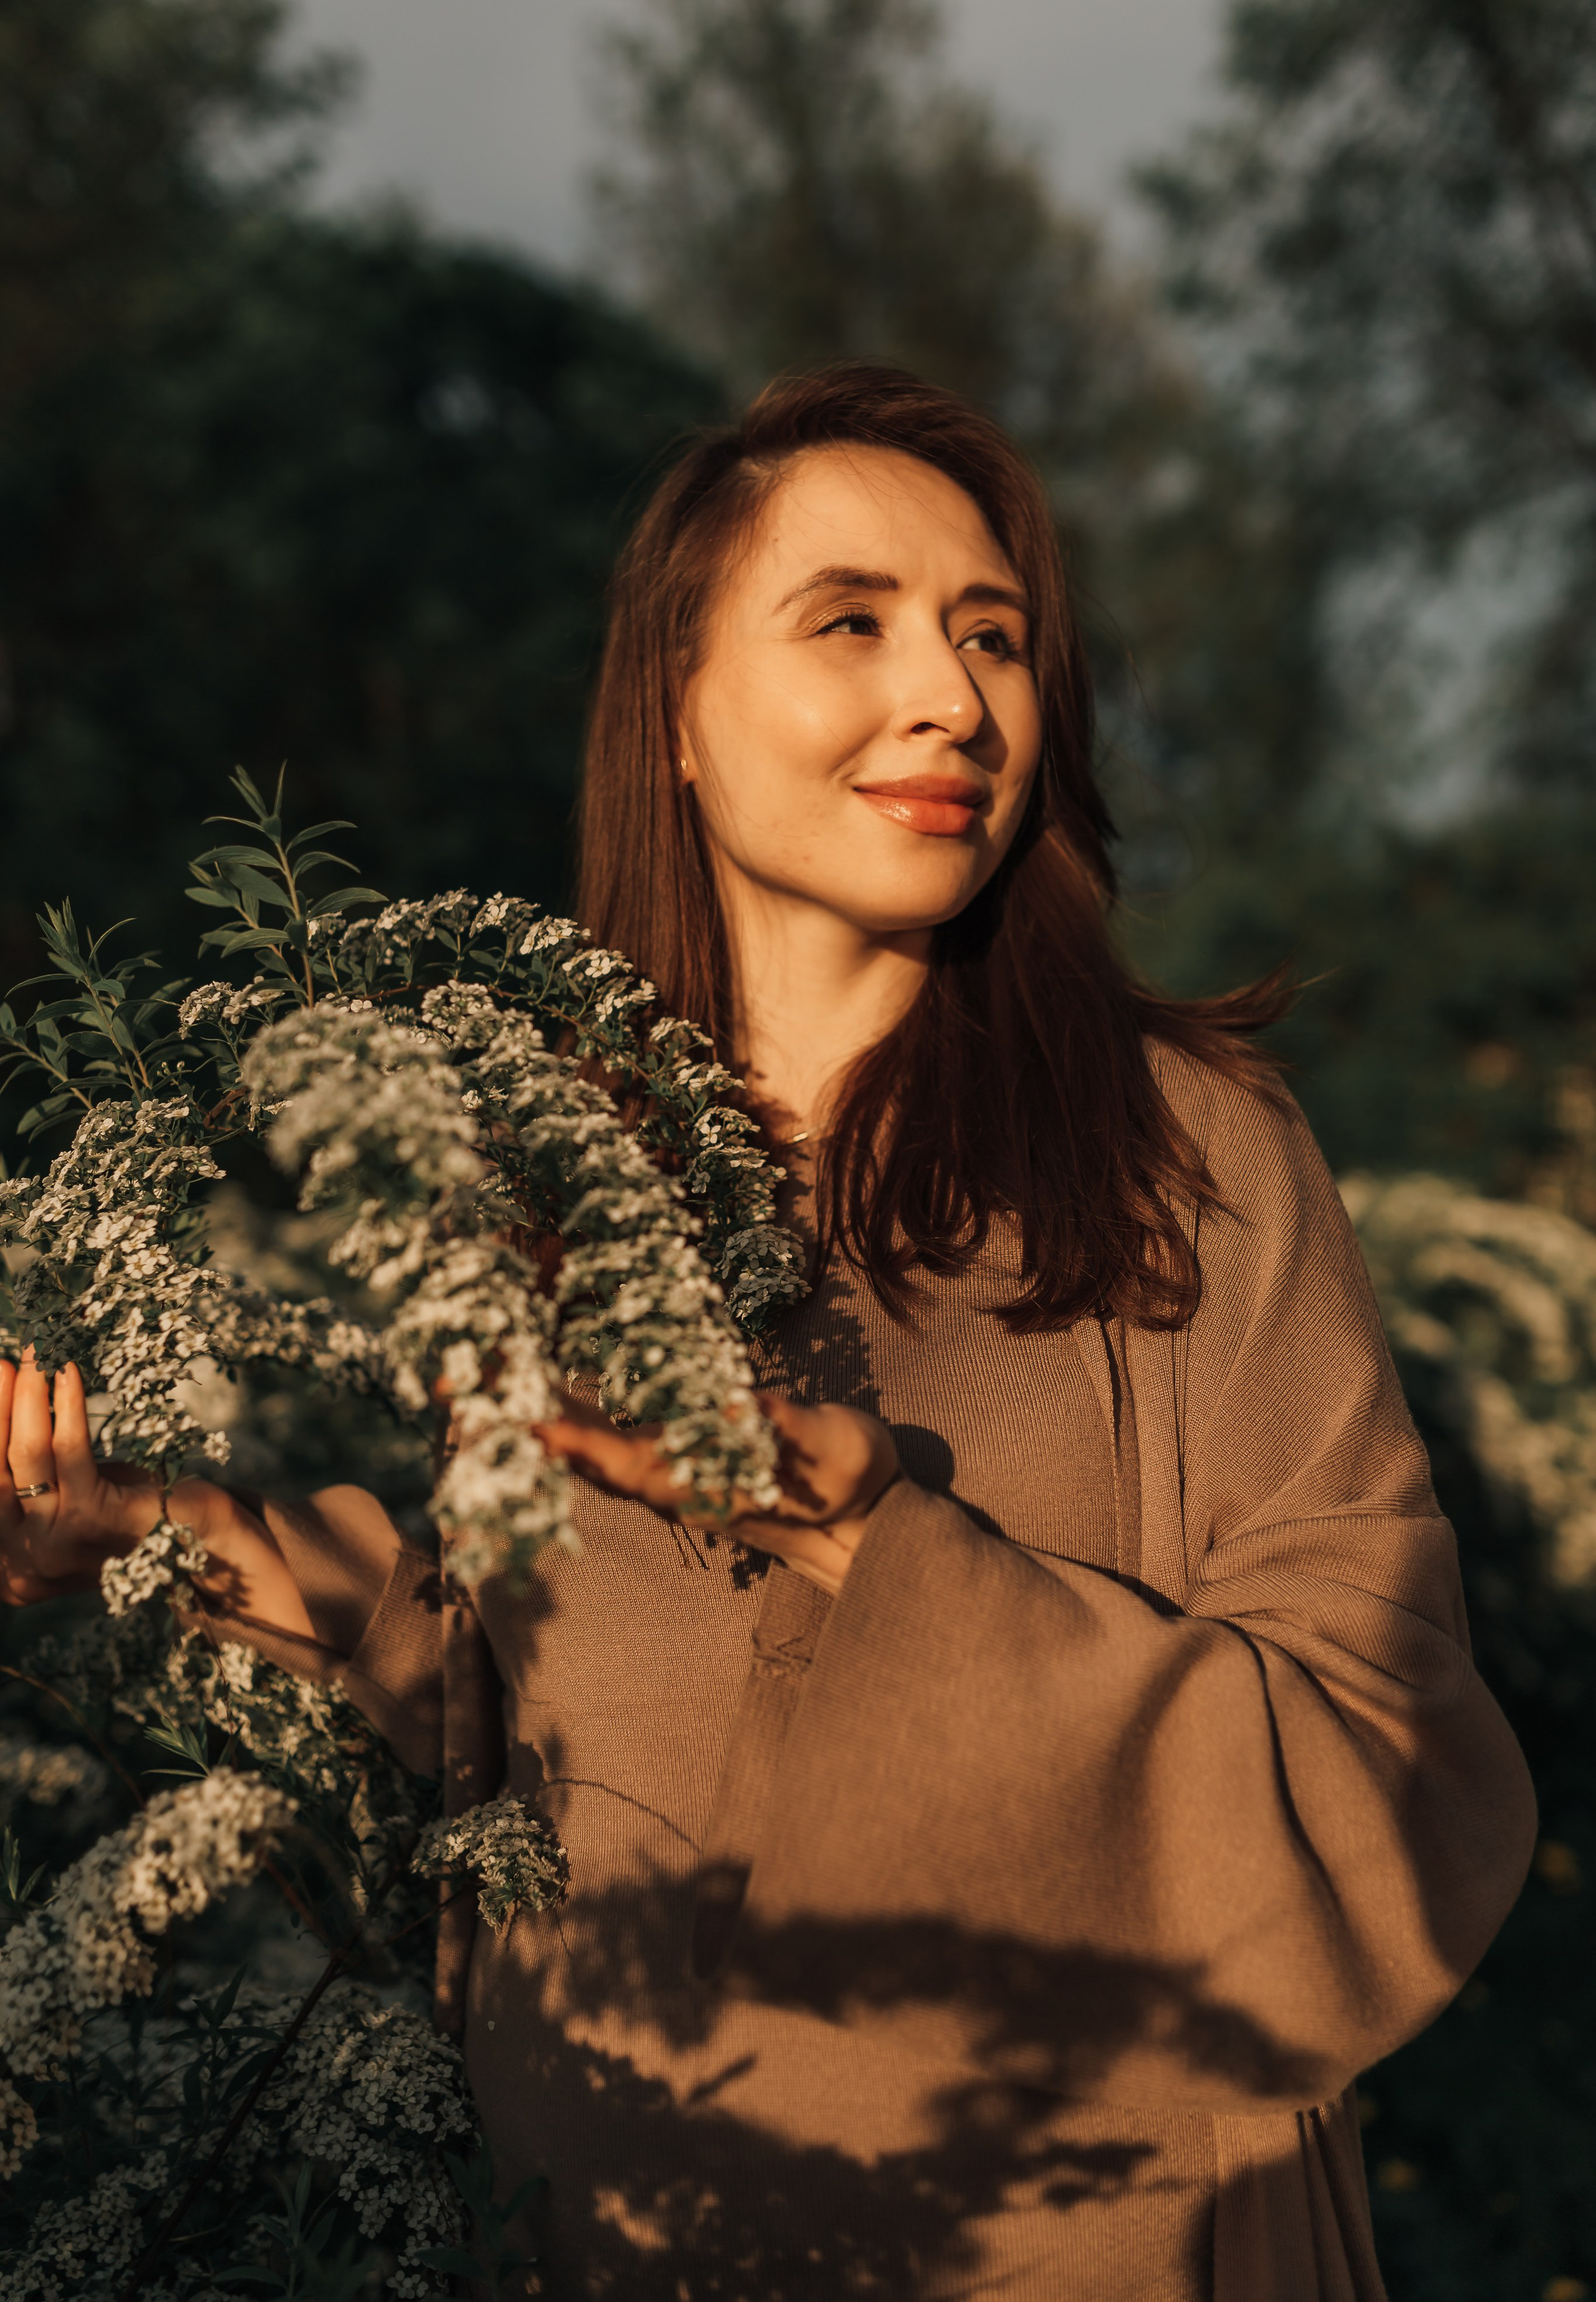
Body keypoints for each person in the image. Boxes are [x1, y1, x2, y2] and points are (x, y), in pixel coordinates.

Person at [0, 365, 1536, 2300]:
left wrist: (876, 1554)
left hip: (1092, 2241)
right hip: (629, 2234)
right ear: (678, 717)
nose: (956, 699)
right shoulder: (532, 1184)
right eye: (852, 624)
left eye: (995, 638)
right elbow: (523, 1707)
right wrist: (160, 1534)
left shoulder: (1183, 1154)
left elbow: (1393, 1765)